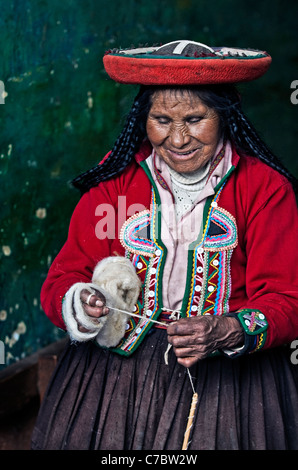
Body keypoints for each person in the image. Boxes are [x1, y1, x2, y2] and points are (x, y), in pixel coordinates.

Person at [31, 40, 298, 450]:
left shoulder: (264, 189)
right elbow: (63, 279)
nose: (177, 138)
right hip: (112, 385)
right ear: (144, 121)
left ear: (225, 116)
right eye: (161, 120)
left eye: (195, 119)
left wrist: (228, 328)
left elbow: (287, 297)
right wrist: (81, 302)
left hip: (232, 387)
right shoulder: (114, 183)